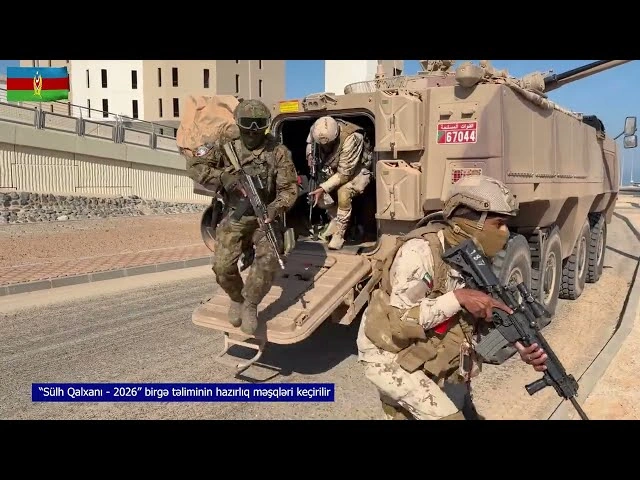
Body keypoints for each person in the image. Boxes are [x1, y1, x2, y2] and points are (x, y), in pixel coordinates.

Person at [356, 174, 549, 420]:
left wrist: (519, 346)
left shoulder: (476, 258)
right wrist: (458, 298)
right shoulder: (420, 252)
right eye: (499, 223)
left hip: (434, 351)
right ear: (470, 222)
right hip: (390, 354)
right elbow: (401, 322)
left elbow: (476, 327)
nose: (505, 233)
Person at [184, 99, 299, 335]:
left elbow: (289, 189)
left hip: (264, 217)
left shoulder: (277, 152)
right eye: (248, 124)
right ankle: (236, 297)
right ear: (238, 123)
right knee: (221, 267)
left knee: (269, 260)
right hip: (235, 215)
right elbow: (195, 166)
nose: (253, 130)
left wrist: (276, 208)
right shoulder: (225, 143)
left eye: (259, 124)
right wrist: (223, 177)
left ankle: (250, 303)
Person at [306, 116, 372, 250]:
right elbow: (310, 144)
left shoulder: (352, 138)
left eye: (328, 143)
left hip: (357, 169)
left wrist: (323, 187)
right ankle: (335, 219)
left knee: (343, 193)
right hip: (334, 166)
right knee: (318, 196)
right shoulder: (316, 129)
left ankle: (340, 233)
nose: (325, 146)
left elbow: (345, 174)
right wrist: (310, 156)